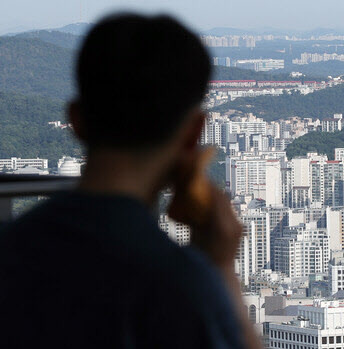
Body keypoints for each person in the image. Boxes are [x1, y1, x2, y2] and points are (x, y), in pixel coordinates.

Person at [0, 13, 260, 348]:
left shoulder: (10, 252)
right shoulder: (181, 287)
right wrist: (222, 268)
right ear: (194, 132)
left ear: (76, 121)